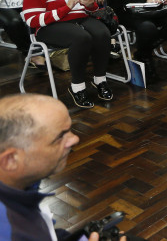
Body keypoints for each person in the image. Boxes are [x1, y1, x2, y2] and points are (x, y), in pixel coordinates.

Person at [0, 94, 130, 240]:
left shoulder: (20, 182)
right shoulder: (11, 233)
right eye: (60, 136)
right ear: (11, 160)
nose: (75, 139)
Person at [23, 0, 112, 109]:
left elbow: (90, 10)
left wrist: (91, 4)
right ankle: (77, 86)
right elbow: (33, 21)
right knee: (81, 37)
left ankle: (100, 79)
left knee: (102, 33)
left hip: (80, 19)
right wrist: (66, 7)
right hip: (50, 26)